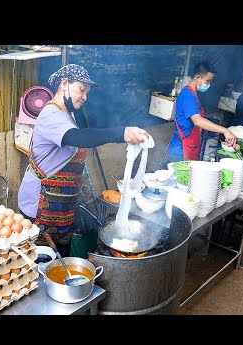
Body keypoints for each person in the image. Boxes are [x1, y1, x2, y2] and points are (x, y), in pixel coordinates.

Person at [17, 64, 150, 256]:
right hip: (39, 205)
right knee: (42, 261)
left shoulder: (67, 114)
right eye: (81, 89)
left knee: (60, 258)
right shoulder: (51, 115)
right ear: (65, 83)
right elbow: (78, 137)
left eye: (87, 92)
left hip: (61, 204)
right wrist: (122, 133)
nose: (85, 97)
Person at [167, 61, 237, 163]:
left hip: (191, 145)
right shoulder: (188, 95)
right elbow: (197, 121)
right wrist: (225, 130)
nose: (209, 84)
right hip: (181, 149)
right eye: (207, 81)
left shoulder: (194, 95)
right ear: (198, 77)